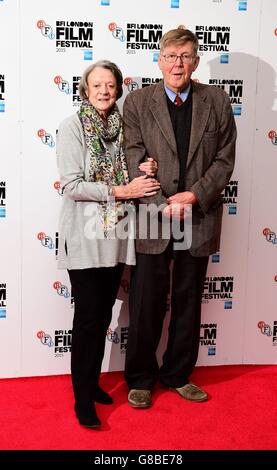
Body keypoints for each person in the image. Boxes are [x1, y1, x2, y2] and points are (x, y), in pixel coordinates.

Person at [123, 28, 237, 408]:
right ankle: (140, 378)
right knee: (145, 302)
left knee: (189, 300)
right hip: (153, 217)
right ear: (159, 59)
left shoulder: (218, 100)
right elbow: (133, 156)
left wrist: (193, 196)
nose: (178, 64)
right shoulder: (138, 102)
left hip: (198, 215)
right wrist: (161, 200)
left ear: (196, 61)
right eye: (171, 55)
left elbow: (224, 159)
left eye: (186, 56)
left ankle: (177, 374)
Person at [56, 60, 160, 428]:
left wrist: (144, 170)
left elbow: (131, 171)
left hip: (115, 240)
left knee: (102, 317)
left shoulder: (124, 129)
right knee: (87, 320)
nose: (103, 91)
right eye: (96, 85)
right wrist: (122, 190)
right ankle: (82, 399)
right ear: (85, 90)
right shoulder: (71, 128)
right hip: (84, 241)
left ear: (118, 90)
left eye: (110, 85)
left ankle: (92, 383)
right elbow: (71, 186)